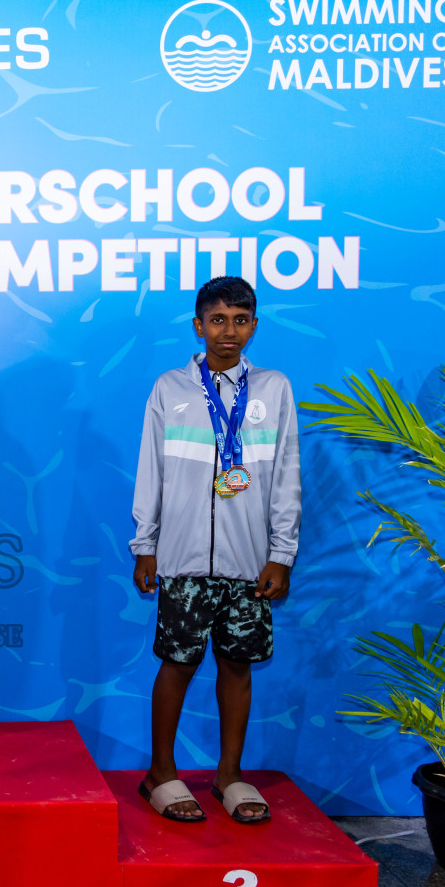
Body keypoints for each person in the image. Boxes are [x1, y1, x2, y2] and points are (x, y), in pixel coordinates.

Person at [129, 275, 300, 825]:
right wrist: (145, 544)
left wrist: (282, 553)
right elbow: (150, 474)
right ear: (198, 325)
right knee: (176, 663)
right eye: (218, 320)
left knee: (238, 664)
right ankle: (160, 770)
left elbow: (286, 477)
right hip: (180, 559)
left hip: (249, 562)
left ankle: (229, 774)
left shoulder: (274, 390)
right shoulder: (170, 389)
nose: (229, 330)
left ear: (254, 325)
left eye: (241, 319)